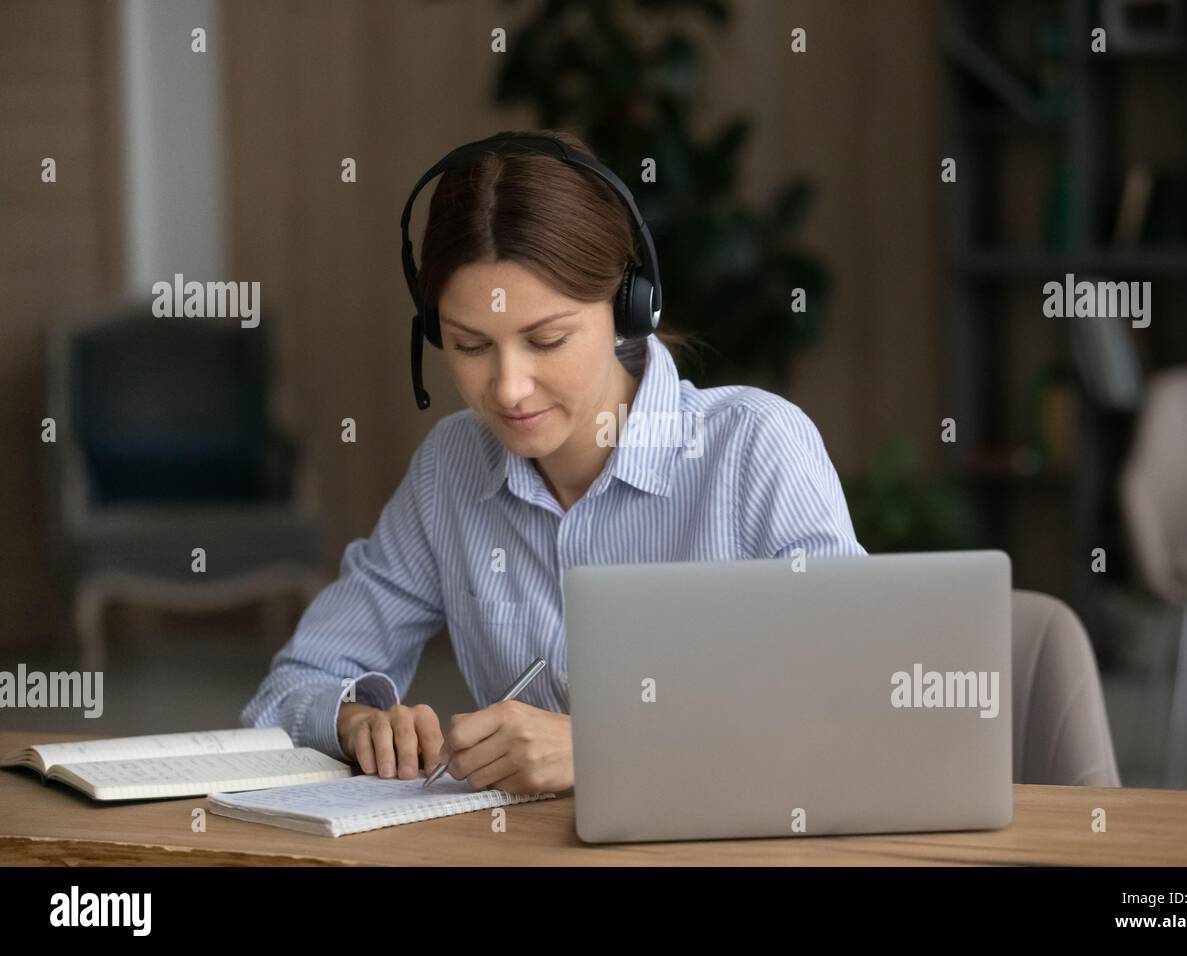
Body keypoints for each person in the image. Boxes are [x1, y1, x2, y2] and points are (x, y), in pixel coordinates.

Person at [240, 129, 867, 795]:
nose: (508, 389)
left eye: (547, 339)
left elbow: (856, 705)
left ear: (630, 308)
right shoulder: (451, 469)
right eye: (470, 345)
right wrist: (353, 721)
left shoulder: (756, 449)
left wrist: (611, 749)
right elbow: (287, 690)